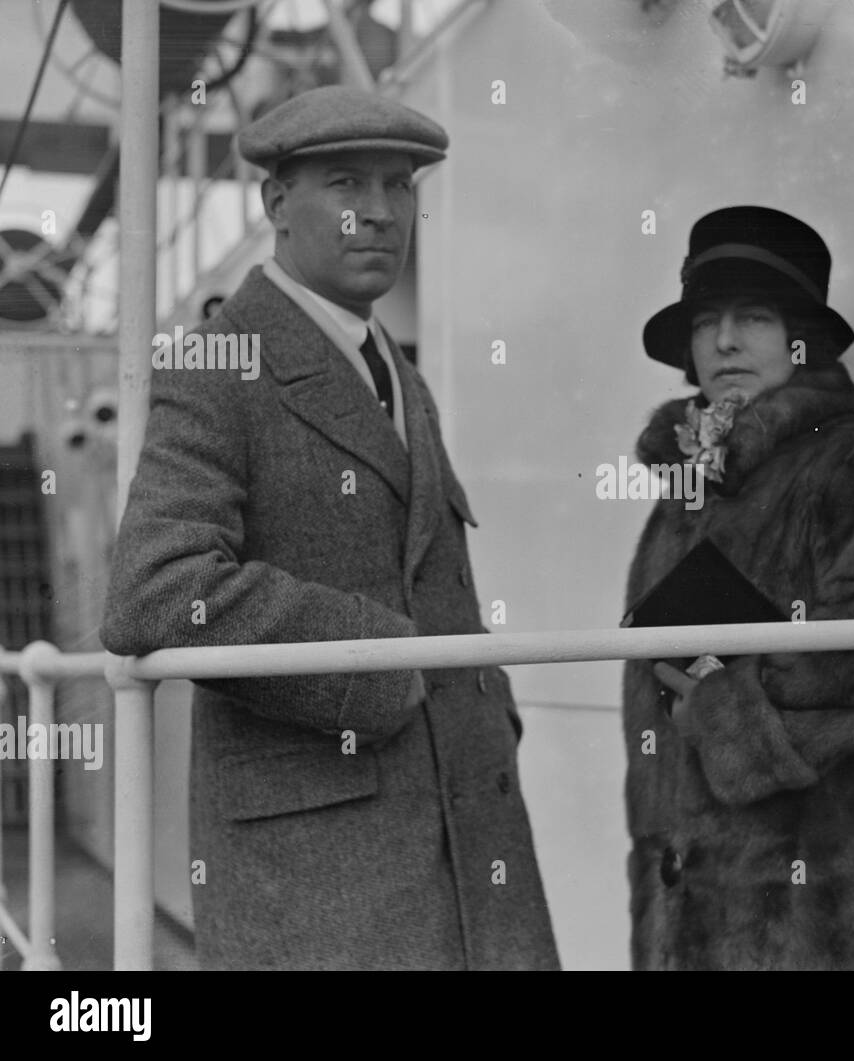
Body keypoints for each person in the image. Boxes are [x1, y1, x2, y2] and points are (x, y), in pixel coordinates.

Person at [100, 86, 558, 970]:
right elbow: (157, 590)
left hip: (468, 826)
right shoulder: (219, 365)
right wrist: (381, 665)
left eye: (400, 186)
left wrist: (484, 709)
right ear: (276, 203)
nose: (381, 214)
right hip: (324, 866)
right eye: (348, 184)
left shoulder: (394, 371)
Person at [622, 205, 854, 970]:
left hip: (813, 914)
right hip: (684, 913)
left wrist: (725, 715)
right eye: (707, 321)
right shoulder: (683, 491)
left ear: (801, 339)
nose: (726, 340)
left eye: (756, 317)